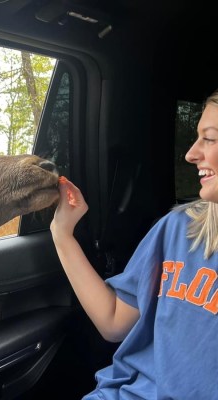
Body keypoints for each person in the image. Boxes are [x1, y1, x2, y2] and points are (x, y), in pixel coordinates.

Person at [50, 90, 218, 400]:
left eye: (210, 138)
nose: (191, 154)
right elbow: (114, 320)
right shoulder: (178, 229)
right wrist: (63, 233)